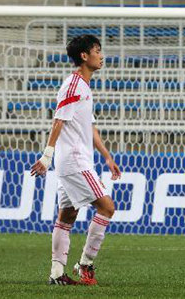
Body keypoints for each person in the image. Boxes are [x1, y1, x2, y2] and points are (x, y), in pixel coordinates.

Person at [30, 35, 122, 286]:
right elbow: (58, 119)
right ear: (84, 56)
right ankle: (85, 264)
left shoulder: (84, 86)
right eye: (97, 50)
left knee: (67, 216)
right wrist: (46, 155)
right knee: (107, 208)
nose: (101, 55)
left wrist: (107, 156)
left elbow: (89, 127)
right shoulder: (72, 85)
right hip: (74, 161)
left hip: (77, 161)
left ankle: (57, 274)